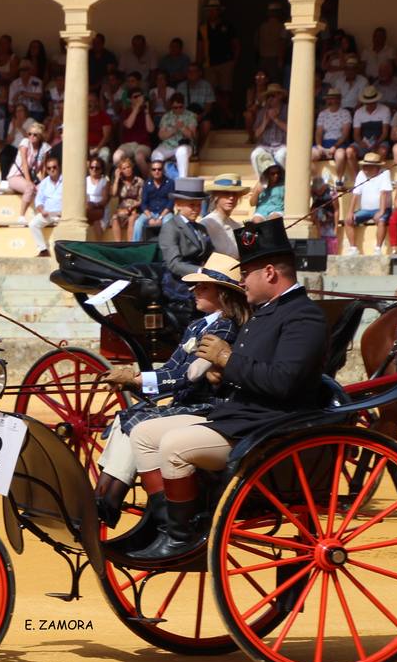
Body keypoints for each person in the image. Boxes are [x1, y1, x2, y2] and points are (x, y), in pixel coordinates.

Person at [126, 218, 328, 560]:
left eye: (245, 273)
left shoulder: (303, 317)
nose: (240, 281)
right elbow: (250, 370)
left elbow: (283, 381)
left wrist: (226, 359)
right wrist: (223, 373)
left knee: (174, 445)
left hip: (267, 427)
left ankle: (180, 536)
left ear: (269, 273)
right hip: (239, 416)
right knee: (144, 434)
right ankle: (161, 522)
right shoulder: (266, 313)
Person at [93, 251, 250, 525]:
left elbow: (188, 375)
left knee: (138, 421)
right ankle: (105, 496)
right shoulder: (198, 325)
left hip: (205, 406)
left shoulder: (225, 328)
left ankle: (110, 499)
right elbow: (170, 370)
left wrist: (138, 379)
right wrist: (136, 376)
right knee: (128, 419)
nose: (194, 291)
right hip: (186, 401)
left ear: (223, 295)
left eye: (203, 287)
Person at [158, 176, 212, 302]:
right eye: (192, 205)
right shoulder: (170, 227)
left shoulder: (201, 228)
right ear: (178, 204)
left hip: (201, 282)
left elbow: (211, 254)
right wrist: (200, 271)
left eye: (199, 205)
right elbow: (173, 264)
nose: (196, 209)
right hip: (178, 285)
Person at [344, 151, 393, 255]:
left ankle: (378, 249)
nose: (365, 168)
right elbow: (356, 194)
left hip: (382, 208)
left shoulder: (385, 173)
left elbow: (383, 193)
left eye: (367, 166)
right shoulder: (361, 174)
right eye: (364, 166)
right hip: (365, 210)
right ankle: (353, 248)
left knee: (381, 220)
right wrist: (350, 212)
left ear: (376, 167)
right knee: (348, 221)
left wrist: (381, 211)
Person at [25, 155, 62, 257]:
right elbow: (38, 201)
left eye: (54, 167)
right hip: (48, 214)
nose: (52, 170)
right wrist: (42, 210)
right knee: (33, 224)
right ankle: (43, 250)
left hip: (63, 214)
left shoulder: (66, 181)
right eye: (49, 168)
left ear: (59, 167)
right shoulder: (44, 183)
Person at [201, 173, 245, 257]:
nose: (231, 198)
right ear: (216, 196)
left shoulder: (236, 226)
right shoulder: (206, 224)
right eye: (226, 193)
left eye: (235, 194)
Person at [135, 159, 174, 242]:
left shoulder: (170, 183)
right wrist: (150, 218)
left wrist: (161, 217)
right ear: (151, 171)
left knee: (168, 222)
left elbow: (171, 203)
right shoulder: (147, 183)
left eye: (159, 169)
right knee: (138, 223)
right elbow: (144, 204)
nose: (157, 171)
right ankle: (135, 246)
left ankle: (168, 246)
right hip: (150, 212)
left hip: (165, 213)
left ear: (163, 170)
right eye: (154, 169)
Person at [107, 156, 142, 243]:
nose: (127, 170)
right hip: (122, 210)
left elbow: (141, 200)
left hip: (135, 209)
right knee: (115, 218)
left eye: (128, 167)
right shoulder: (120, 182)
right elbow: (114, 194)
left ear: (132, 167)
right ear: (121, 170)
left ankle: (130, 243)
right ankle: (118, 243)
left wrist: (132, 206)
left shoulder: (139, 181)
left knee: (132, 219)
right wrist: (116, 178)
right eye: (124, 168)